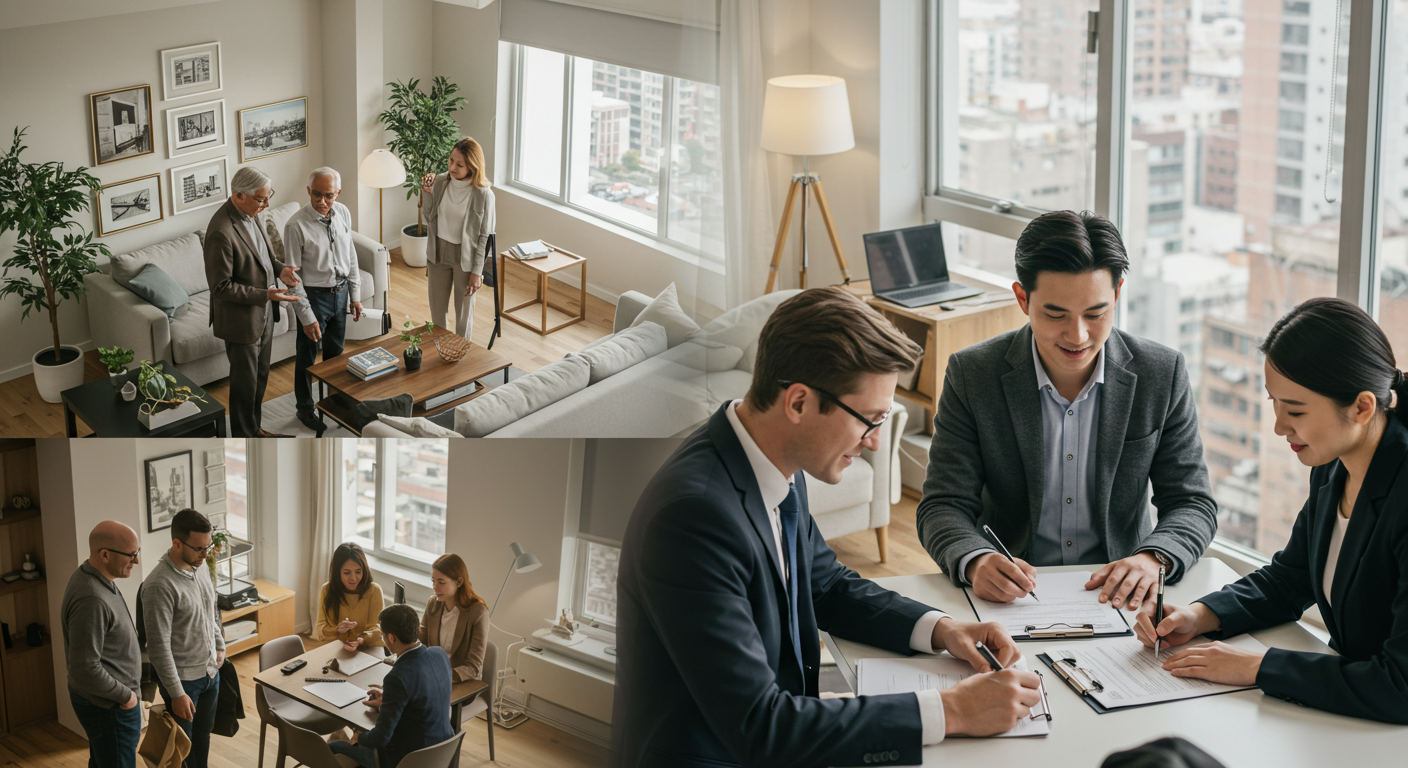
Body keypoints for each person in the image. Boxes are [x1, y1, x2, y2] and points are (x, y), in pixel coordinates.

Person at [612, 287, 1044, 768]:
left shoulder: (775, 462)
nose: (875, 442)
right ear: (798, 403)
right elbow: (761, 726)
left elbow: (826, 585)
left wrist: (944, 629)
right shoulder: (694, 517)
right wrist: (953, 710)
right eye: (869, 420)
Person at [917, 210, 1217, 610]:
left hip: (1121, 594)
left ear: (1118, 294)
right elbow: (943, 504)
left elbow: (1192, 502)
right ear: (1023, 299)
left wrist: (1153, 558)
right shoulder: (972, 374)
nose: (1078, 335)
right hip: (1012, 597)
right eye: (1055, 314)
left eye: (1095, 313)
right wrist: (976, 560)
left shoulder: (1162, 373)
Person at [1134, 297, 1408, 724]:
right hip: (1349, 715)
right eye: (1275, 403)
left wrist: (1256, 667)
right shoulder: (1334, 464)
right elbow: (1291, 578)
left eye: (1295, 410)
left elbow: (1400, 687)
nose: (1280, 426)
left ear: (1362, 407)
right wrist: (1200, 616)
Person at [204, 165, 302, 438]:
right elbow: (221, 287)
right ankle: (245, 438)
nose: (266, 204)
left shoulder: (252, 213)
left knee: (260, 377)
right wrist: (265, 294)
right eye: (261, 199)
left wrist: (280, 269)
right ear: (239, 195)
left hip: (264, 311)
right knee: (244, 384)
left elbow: (263, 257)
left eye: (269, 196)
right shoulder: (221, 231)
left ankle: (254, 430)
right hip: (241, 320)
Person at [139, 509, 225, 768]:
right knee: (181, 749)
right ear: (177, 543)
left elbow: (210, 610)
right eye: (199, 548)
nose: (205, 554)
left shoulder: (199, 566)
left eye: (207, 546)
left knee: (203, 736)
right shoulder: (159, 585)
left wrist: (219, 644)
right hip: (184, 682)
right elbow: (158, 648)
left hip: (210, 672)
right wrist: (177, 694)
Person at [284, 166, 363, 432]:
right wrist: (306, 317)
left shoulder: (343, 213)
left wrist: (355, 295)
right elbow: (292, 278)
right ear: (308, 190)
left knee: (336, 356)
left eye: (328, 195)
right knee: (307, 358)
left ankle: (336, 403)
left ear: (338, 193)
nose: (322, 201)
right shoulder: (295, 225)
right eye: (316, 194)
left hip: (341, 293)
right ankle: (305, 408)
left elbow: (350, 254)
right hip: (314, 297)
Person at [330, 604, 454, 768]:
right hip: (442, 751)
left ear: (392, 638)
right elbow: (422, 697)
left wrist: (359, 737)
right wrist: (389, 700)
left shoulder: (397, 676)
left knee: (333, 747)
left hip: (408, 760)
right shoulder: (439, 654)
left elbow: (381, 738)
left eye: (382, 635)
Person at [62, 521, 144, 768]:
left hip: (109, 704)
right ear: (105, 554)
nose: (136, 560)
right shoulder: (92, 598)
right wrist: (126, 696)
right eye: (131, 554)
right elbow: (85, 669)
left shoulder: (97, 578)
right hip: (109, 707)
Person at [419, 136, 495, 340]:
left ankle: (461, 352)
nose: (453, 167)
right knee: (437, 313)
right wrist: (427, 193)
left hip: (466, 258)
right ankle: (439, 349)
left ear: (472, 165)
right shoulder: (440, 182)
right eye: (451, 161)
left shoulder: (484, 195)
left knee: (463, 316)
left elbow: (484, 236)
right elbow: (429, 218)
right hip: (438, 253)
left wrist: (477, 272)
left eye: (460, 164)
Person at [419, 553, 489, 683]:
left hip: (463, 682)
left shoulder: (477, 612)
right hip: (433, 676)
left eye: (441, 582)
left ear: (459, 582)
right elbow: (421, 642)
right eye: (433, 581)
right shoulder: (433, 604)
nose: (435, 587)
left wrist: (440, 676)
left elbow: (474, 667)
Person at [313, 542, 384, 652]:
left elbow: (377, 629)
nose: (353, 578)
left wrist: (361, 639)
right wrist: (337, 630)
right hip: (336, 648)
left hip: (367, 648)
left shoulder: (374, 591)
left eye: (358, 572)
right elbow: (320, 629)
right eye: (347, 573)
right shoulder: (327, 590)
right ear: (337, 572)